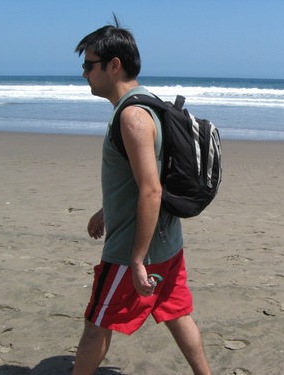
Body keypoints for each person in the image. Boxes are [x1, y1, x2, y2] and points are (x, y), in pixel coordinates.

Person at [72, 17, 211, 375]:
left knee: (97, 322)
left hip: (133, 249)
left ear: (113, 65)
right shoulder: (150, 102)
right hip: (168, 241)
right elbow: (148, 173)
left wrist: (135, 260)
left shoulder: (132, 116)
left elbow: (151, 189)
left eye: (89, 65)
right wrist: (107, 209)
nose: (84, 73)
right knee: (178, 314)